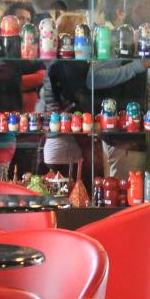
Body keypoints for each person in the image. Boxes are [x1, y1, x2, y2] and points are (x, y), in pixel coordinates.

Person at [88, 0, 150, 177]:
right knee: (124, 192)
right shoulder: (117, 38)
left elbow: (134, 76)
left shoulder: (143, 37)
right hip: (123, 139)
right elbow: (94, 78)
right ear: (137, 10)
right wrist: (135, 67)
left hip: (141, 132)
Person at [41, 12, 93, 179]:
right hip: (67, 141)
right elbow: (79, 100)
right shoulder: (68, 66)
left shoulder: (56, 64)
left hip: (57, 140)